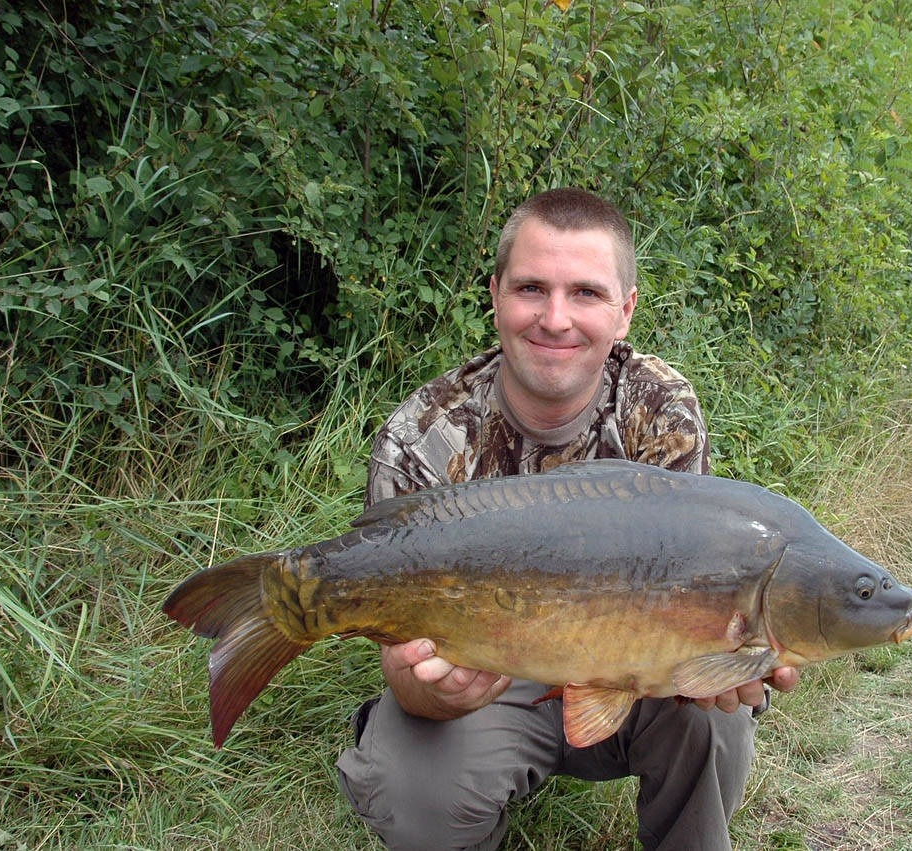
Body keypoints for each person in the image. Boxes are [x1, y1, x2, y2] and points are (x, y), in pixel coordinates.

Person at [336, 188, 799, 850]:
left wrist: (721, 663)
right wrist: (426, 691)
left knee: (716, 719)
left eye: (585, 292)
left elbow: (690, 594)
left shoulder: (659, 408)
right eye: (531, 288)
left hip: (628, 669)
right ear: (495, 295)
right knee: (414, 788)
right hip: (487, 675)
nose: (555, 318)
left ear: (625, 310)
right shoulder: (426, 433)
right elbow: (401, 654)